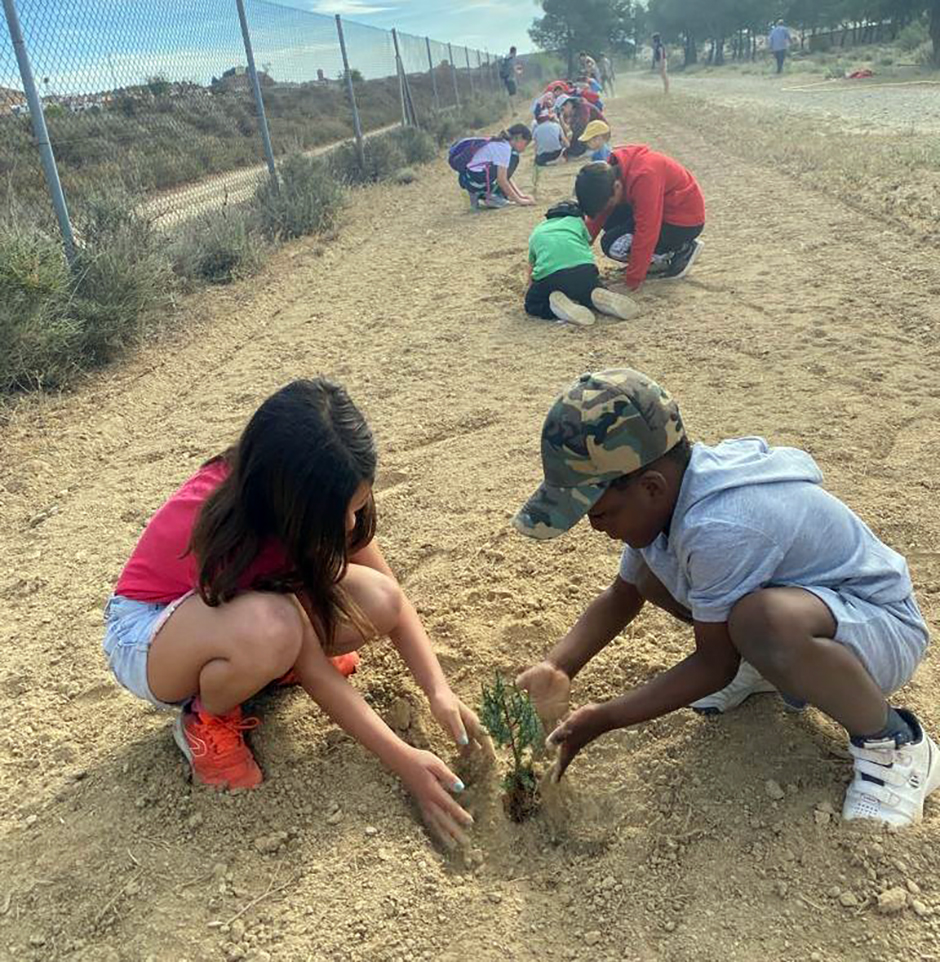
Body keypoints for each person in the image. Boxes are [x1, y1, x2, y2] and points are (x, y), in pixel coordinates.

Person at [514, 368, 938, 828]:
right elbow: (624, 594)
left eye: (599, 513)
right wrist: (558, 666)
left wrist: (605, 717)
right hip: (821, 614)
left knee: (761, 622)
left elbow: (714, 664)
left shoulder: (720, 524)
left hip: (881, 630)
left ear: (650, 486)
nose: (595, 527)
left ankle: (895, 743)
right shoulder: (669, 495)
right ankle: (770, 666)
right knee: (656, 578)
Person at [102, 378, 491, 849]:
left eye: (358, 506)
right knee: (275, 628)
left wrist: (439, 691)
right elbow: (314, 669)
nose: (350, 525)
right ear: (293, 500)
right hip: (147, 635)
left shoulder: (316, 489)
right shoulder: (228, 528)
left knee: (378, 599)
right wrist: (405, 760)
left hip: (234, 612)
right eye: (340, 514)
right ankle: (205, 721)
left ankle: (263, 669)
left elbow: (395, 602)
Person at [575, 150, 705, 289]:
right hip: (662, 208)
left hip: (683, 221)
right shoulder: (607, 174)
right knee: (610, 217)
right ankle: (658, 254)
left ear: (617, 186)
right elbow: (598, 215)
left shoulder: (645, 176)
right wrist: (576, 253)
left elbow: (646, 230)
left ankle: (678, 250)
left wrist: (633, 278)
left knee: (612, 245)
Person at [525, 201, 639, 327]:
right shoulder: (577, 223)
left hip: (552, 277)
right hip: (584, 271)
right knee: (588, 289)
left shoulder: (538, 231)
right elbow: (584, 248)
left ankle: (556, 308)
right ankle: (593, 297)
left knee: (532, 303)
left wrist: (530, 288)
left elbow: (531, 266)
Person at [457, 125, 534, 209]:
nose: (524, 148)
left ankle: (483, 196)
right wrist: (520, 201)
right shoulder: (505, 148)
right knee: (514, 157)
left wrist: (521, 196)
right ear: (519, 138)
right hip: (477, 181)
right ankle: (490, 197)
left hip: (469, 180)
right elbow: (502, 180)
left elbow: (506, 176)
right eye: (525, 144)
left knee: (504, 191)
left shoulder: (500, 143)